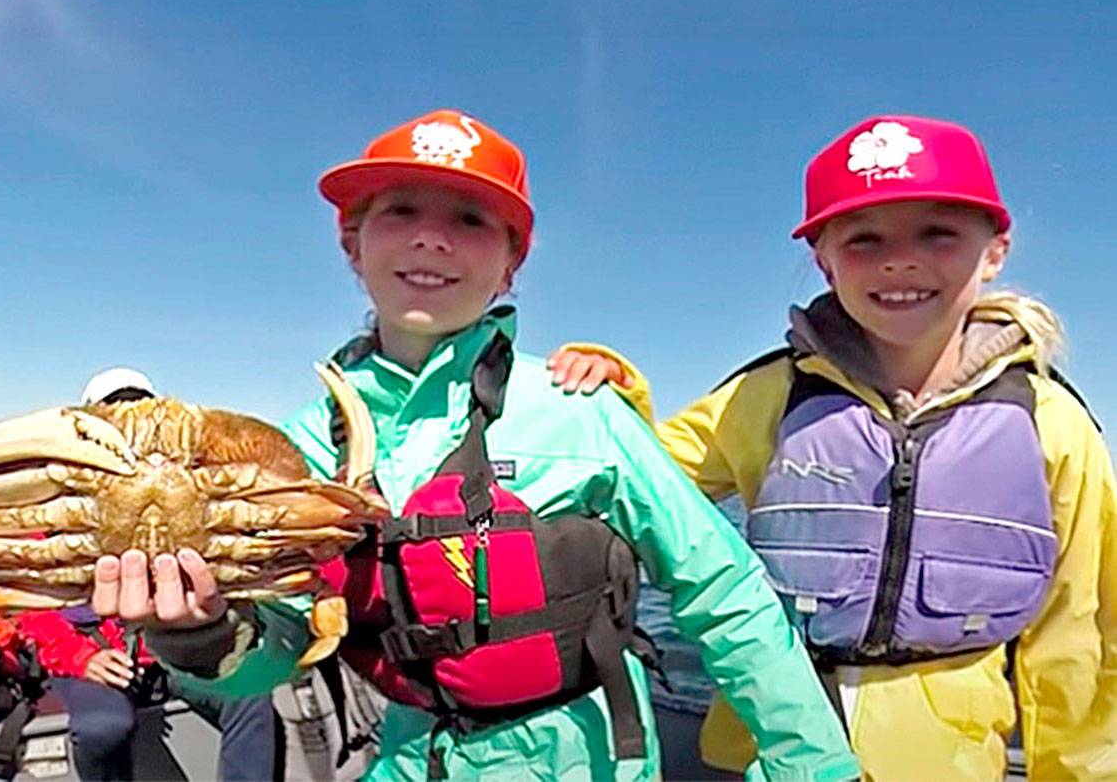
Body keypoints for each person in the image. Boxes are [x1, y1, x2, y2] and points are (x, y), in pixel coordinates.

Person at [90, 109, 859, 781]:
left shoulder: (581, 411)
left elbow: (723, 594)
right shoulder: (300, 448)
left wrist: (814, 765)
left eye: (469, 220)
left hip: (588, 760)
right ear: (353, 245)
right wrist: (198, 636)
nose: (431, 238)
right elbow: (280, 643)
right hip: (407, 755)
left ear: (511, 264)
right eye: (400, 211)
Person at [548, 115, 1117, 780]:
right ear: (824, 262)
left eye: (937, 233)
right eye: (863, 240)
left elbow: (1082, 634)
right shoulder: (764, 396)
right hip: (765, 754)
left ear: (995, 251)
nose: (898, 259)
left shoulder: (1053, 423)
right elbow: (635, 486)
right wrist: (613, 392)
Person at [20, 367, 282, 782]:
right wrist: (80, 657)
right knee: (103, 728)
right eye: (114, 416)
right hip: (95, 652)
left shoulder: (194, 494)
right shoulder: (59, 506)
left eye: (141, 412)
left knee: (250, 695)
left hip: (174, 654)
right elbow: (24, 596)